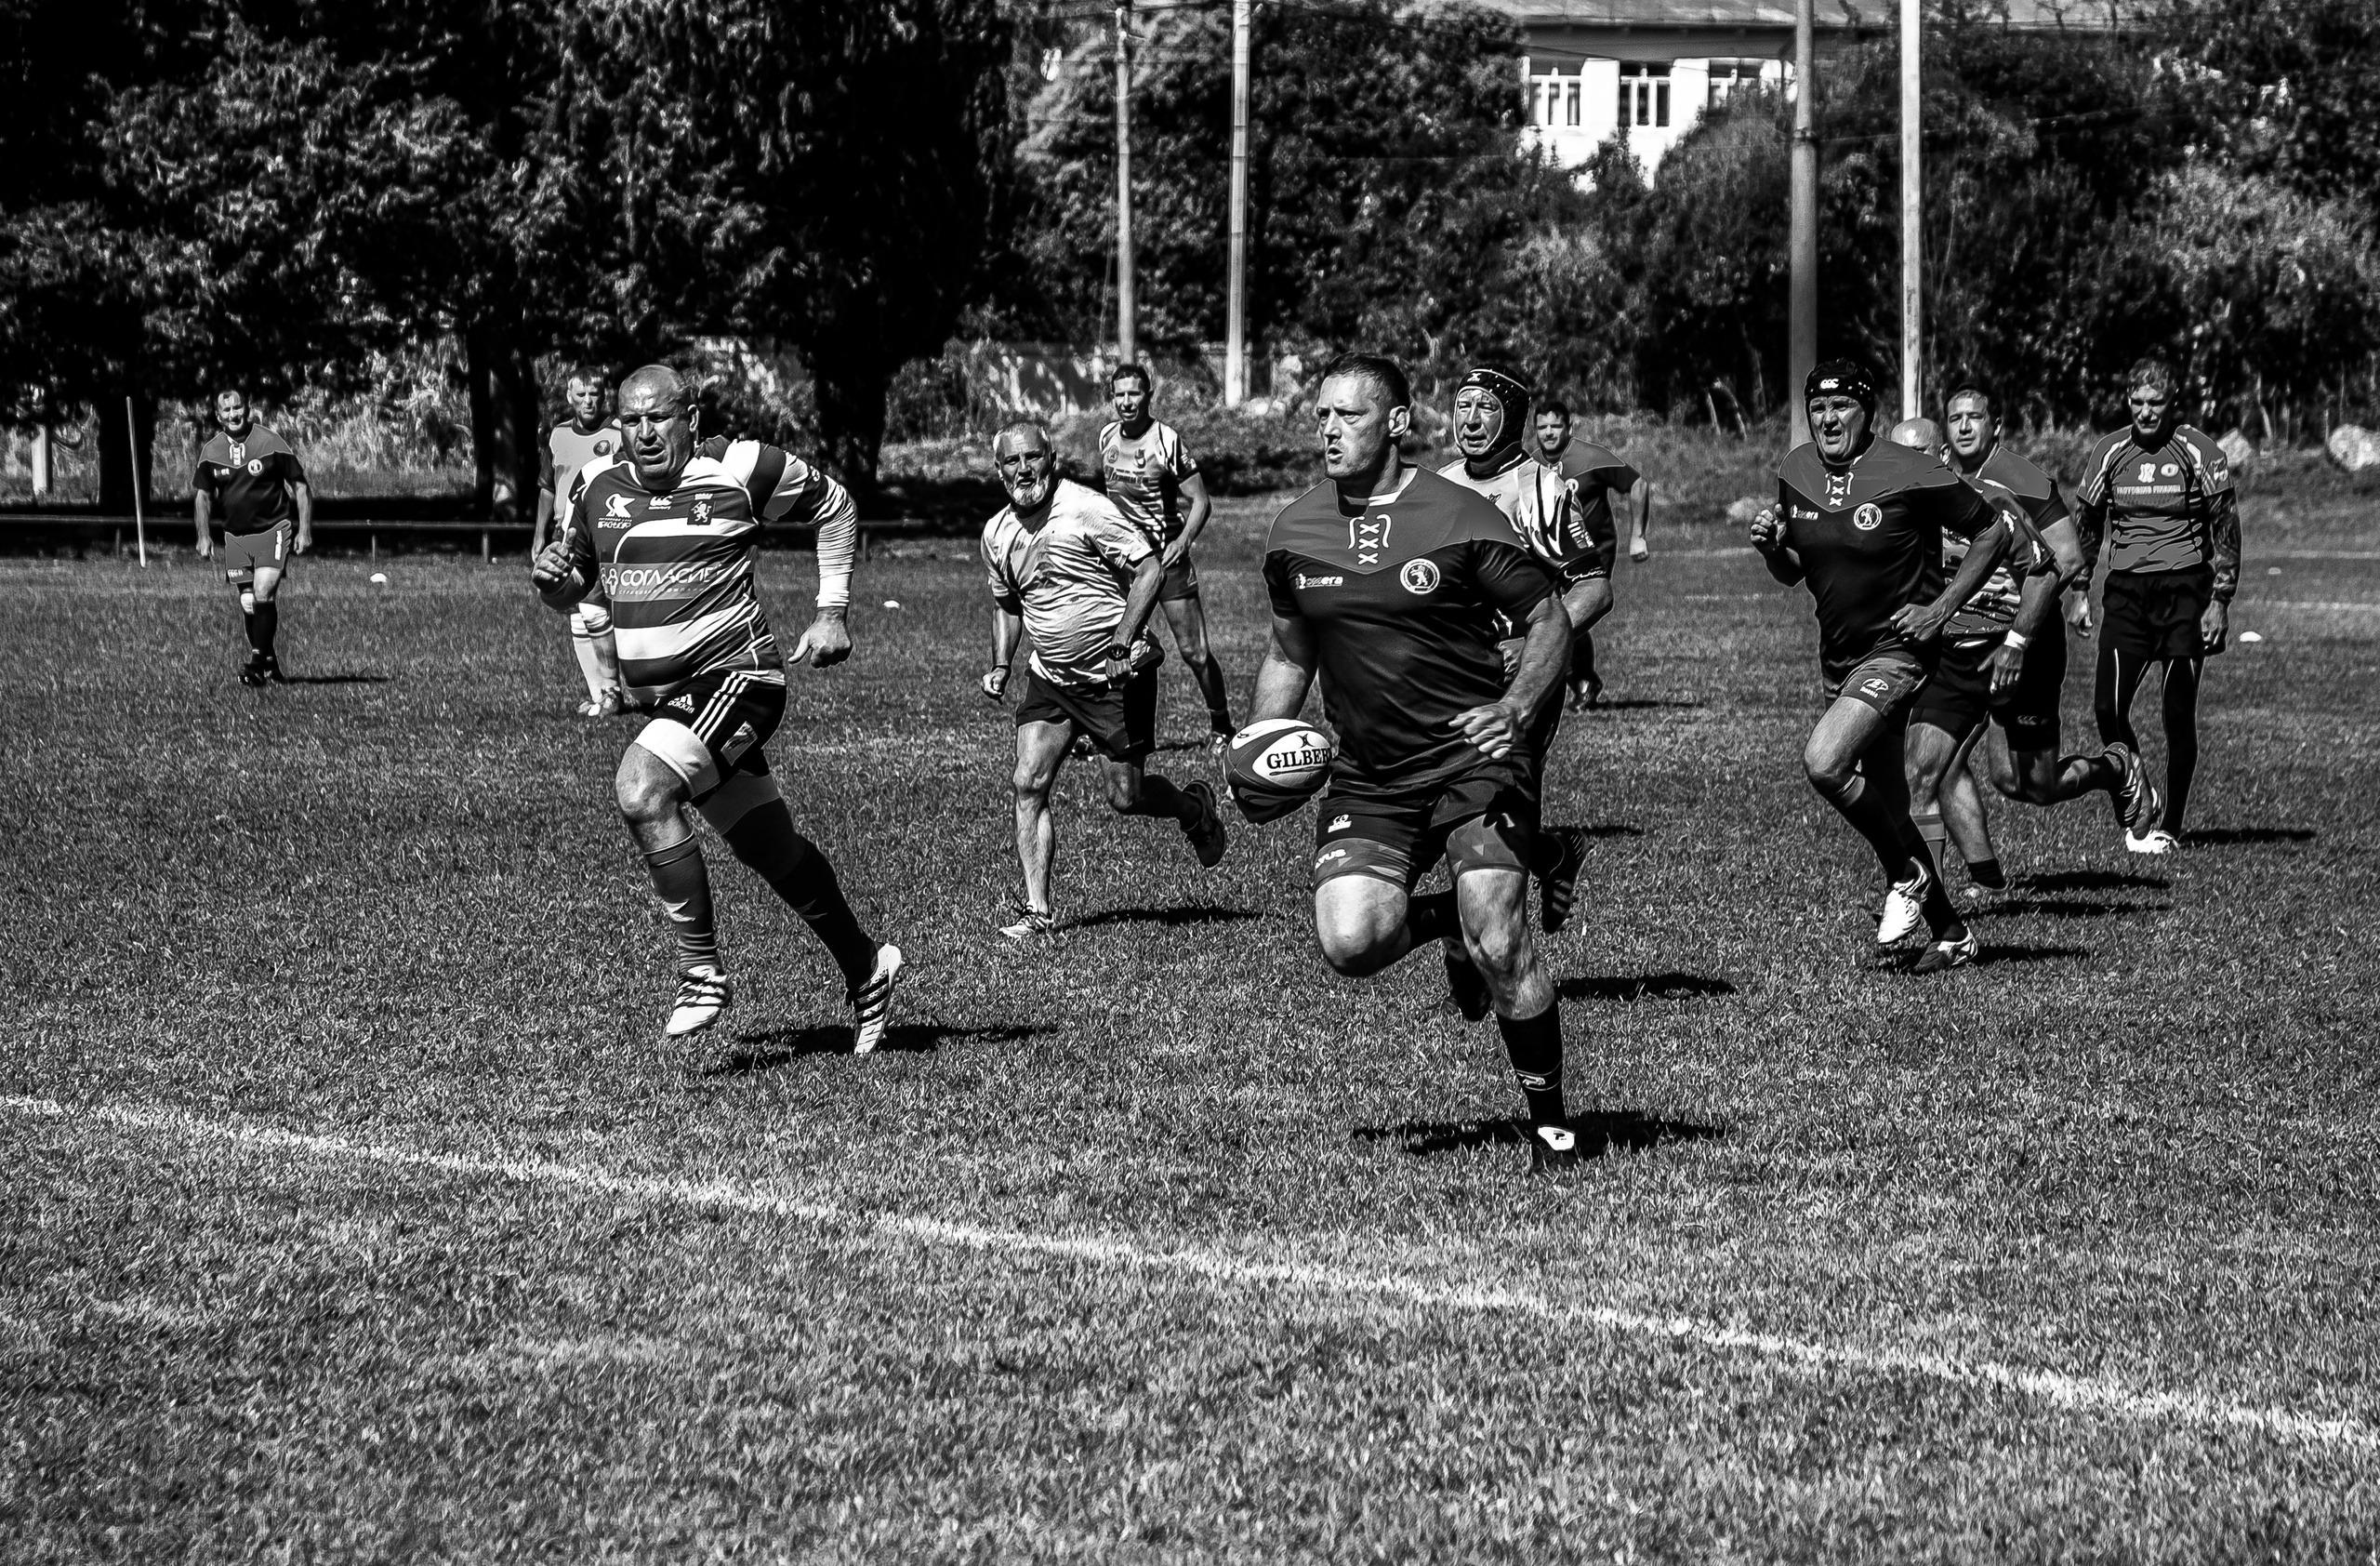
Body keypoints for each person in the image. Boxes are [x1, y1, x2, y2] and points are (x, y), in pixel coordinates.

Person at [1245, 352, 1585, 1175]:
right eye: (1321, 416)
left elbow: (1548, 623)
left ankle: (1551, 1127)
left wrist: (1514, 709)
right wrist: (1258, 744)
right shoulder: (1295, 531)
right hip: (1368, 772)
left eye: (1348, 417)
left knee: (1502, 937)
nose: (1328, 430)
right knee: (1352, 943)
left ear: (1396, 423)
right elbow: (1290, 654)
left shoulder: (1460, 516)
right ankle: (1451, 930)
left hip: (1473, 756)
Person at [530, 365, 903, 1047]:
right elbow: (579, 585)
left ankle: (701, 975)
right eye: (631, 420)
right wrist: (551, 582)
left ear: (690, 419)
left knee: (642, 790)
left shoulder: (738, 467)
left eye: (659, 418)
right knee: (773, 851)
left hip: (741, 679)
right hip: (673, 704)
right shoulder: (595, 487)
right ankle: (867, 965)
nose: (644, 432)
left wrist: (832, 612)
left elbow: (837, 506)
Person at [1750, 362, 2013, 973]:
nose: (1828, 419)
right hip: (1838, 658)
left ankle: (1909, 873)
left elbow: (1992, 533)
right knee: (1892, 808)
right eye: (1818, 407)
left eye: (1842, 407)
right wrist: (1771, 548)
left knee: (1825, 761)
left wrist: (1941, 608)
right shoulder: (1796, 471)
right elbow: (1796, 570)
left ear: (1870, 414)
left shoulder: (1912, 469)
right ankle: (1952, 934)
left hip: (1899, 652)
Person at [1898, 394, 2159, 892]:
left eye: (1974, 417)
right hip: (1959, 651)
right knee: (1937, 768)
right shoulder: (1907, 506)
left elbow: (2060, 561)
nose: (1965, 426)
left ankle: (2115, 767)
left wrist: (2018, 636)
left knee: (2029, 783)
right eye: (1955, 418)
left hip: (2021, 646)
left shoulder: (2005, 492)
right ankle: (1967, 886)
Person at [981, 421, 1230, 939]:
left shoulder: (1086, 508)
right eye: (1012, 461)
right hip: (1050, 677)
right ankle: (1038, 909)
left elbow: (1149, 571)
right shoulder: (996, 533)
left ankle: (1193, 808)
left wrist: (1122, 641)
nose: (1023, 469)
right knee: (1028, 782)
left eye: (1033, 458)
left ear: (1051, 460)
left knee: (1126, 797)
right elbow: (1007, 604)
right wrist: (1003, 664)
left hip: (1117, 675)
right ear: (999, 469)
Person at [1435, 368, 1599, 934]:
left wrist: (1531, 645)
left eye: (1485, 407)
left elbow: (1593, 588)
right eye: (1462, 406)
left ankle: (1483, 942)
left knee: (1495, 795)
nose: (1471, 420)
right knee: (1444, 794)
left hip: (1522, 672)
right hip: (1453, 668)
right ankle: (1549, 857)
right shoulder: (1442, 483)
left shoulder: (1542, 488)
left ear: (1511, 418)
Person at [2070, 358, 2241, 854]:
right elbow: (2087, 523)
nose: (2146, 412)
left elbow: (2225, 524)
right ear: (2128, 402)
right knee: (2108, 707)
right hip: (2126, 594)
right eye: (2138, 402)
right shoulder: (2110, 452)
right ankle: (2138, 788)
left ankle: (2172, 825)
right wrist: (2080, 588)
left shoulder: (2198, 451)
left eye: (2156, 403)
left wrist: (2220, 600)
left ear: (2174, 403)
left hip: (2185, 592)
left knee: (2176, 714)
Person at [1098, 365, 1235, 746]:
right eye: (1119, 395)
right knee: (1114, 643)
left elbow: (1201, 501)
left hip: (1165, 561)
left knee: (1195, 652)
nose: (1126, 402)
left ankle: (1222, 727)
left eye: (1134, 394)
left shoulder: (1166, 440)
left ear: (1148, 395)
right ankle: (1106, 731)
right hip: (1124, 565)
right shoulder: (1106, 438)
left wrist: (1184, 541)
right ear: (1112, 398)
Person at [192, 389, 312, 684]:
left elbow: (300, 487)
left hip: (273, 529)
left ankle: (256, 665)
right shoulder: (211, 451)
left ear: (248, 408)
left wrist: (304, 530)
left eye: (238, 408)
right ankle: (269, 662)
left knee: (263, 592)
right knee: (248, 603)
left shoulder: (269, 441)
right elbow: (202, 497)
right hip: (235, 536)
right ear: (218, 416)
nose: (234, 415)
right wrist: (203, 535)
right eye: (227, 410)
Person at [532, 368, 627, 717]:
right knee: (576, 613)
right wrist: (540, 535)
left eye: (595, 395)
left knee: (592, 608)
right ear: (569, 398)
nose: (589, 401)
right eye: (582, 395)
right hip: (564, 533)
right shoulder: (557, 436)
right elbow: (547, 486)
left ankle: (612, 693)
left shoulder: (618, 434)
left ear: (605, 397)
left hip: (603, 531)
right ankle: (598, 694)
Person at [1536, 398, 1654, 570]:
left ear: (1569, 427)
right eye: (1541, 427)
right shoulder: (1531, 464)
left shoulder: (1591, 457)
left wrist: (1637, 536)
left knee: (1583, 598)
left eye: (1555, 426)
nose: (1548, 433)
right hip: (1550, 557)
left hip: (1593, 554)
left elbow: (1638, 484)